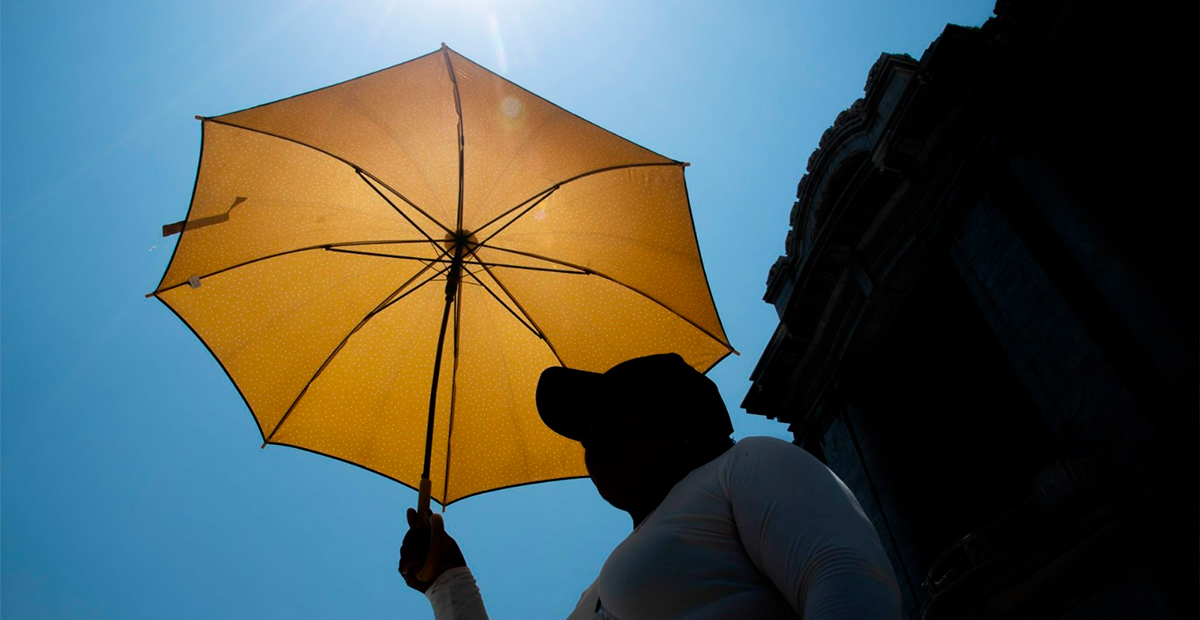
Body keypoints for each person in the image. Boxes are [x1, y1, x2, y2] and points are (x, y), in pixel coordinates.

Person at [400, 353, 901, 619]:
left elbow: (842, 575)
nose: (589, 437)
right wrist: (447, 579)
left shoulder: (746, 463)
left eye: (607, 415)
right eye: (582, 432)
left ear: (676, 422)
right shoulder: (595, 592)